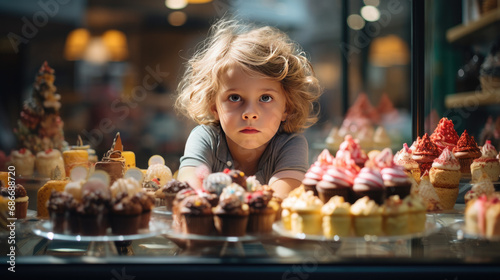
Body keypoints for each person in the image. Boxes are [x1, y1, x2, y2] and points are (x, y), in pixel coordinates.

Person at [175, 18, 322, 199]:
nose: (250, 113)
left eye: (265, 98)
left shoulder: (290, 144)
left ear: (287, 107)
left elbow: (281, 199)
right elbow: (190, 191)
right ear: (214, 105)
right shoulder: (205, 138)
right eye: (235, 98)